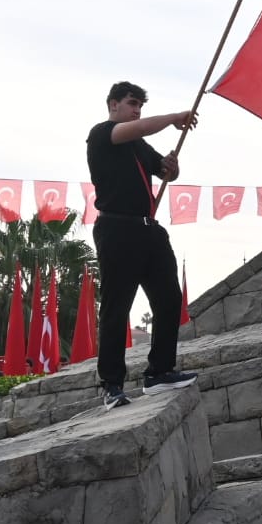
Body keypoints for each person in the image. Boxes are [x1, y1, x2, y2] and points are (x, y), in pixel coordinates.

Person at [87, 80, 201, 408]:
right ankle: (111, 384)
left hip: (148, 229)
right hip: (116, 229)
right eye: (132, 103)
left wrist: (171, 168)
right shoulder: (101, 134)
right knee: (116, 306)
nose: (137, 110)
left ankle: (160, 372)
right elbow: (142, 128)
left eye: (140, 105)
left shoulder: (137, 146)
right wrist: (173, 117)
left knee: (169, 299)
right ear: (114, 105)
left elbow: (164, 172)